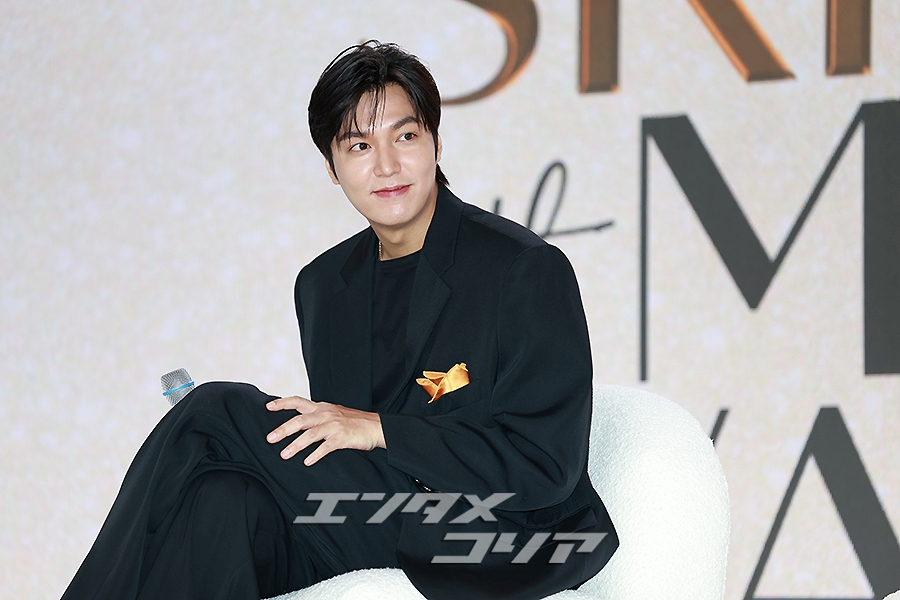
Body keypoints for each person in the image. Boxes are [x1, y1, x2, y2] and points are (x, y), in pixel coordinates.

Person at [61, 41, 617, 600]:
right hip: (374, 515)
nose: (387, 166)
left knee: (214, 409)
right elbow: (339, 449)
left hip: (505, 536)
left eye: (405, 137)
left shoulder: (522, 268)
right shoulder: (324, 285)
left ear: (435, 143)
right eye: (359, 146)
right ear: (332, 167)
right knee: (223, 500)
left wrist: (377, 429)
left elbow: (544, 466)